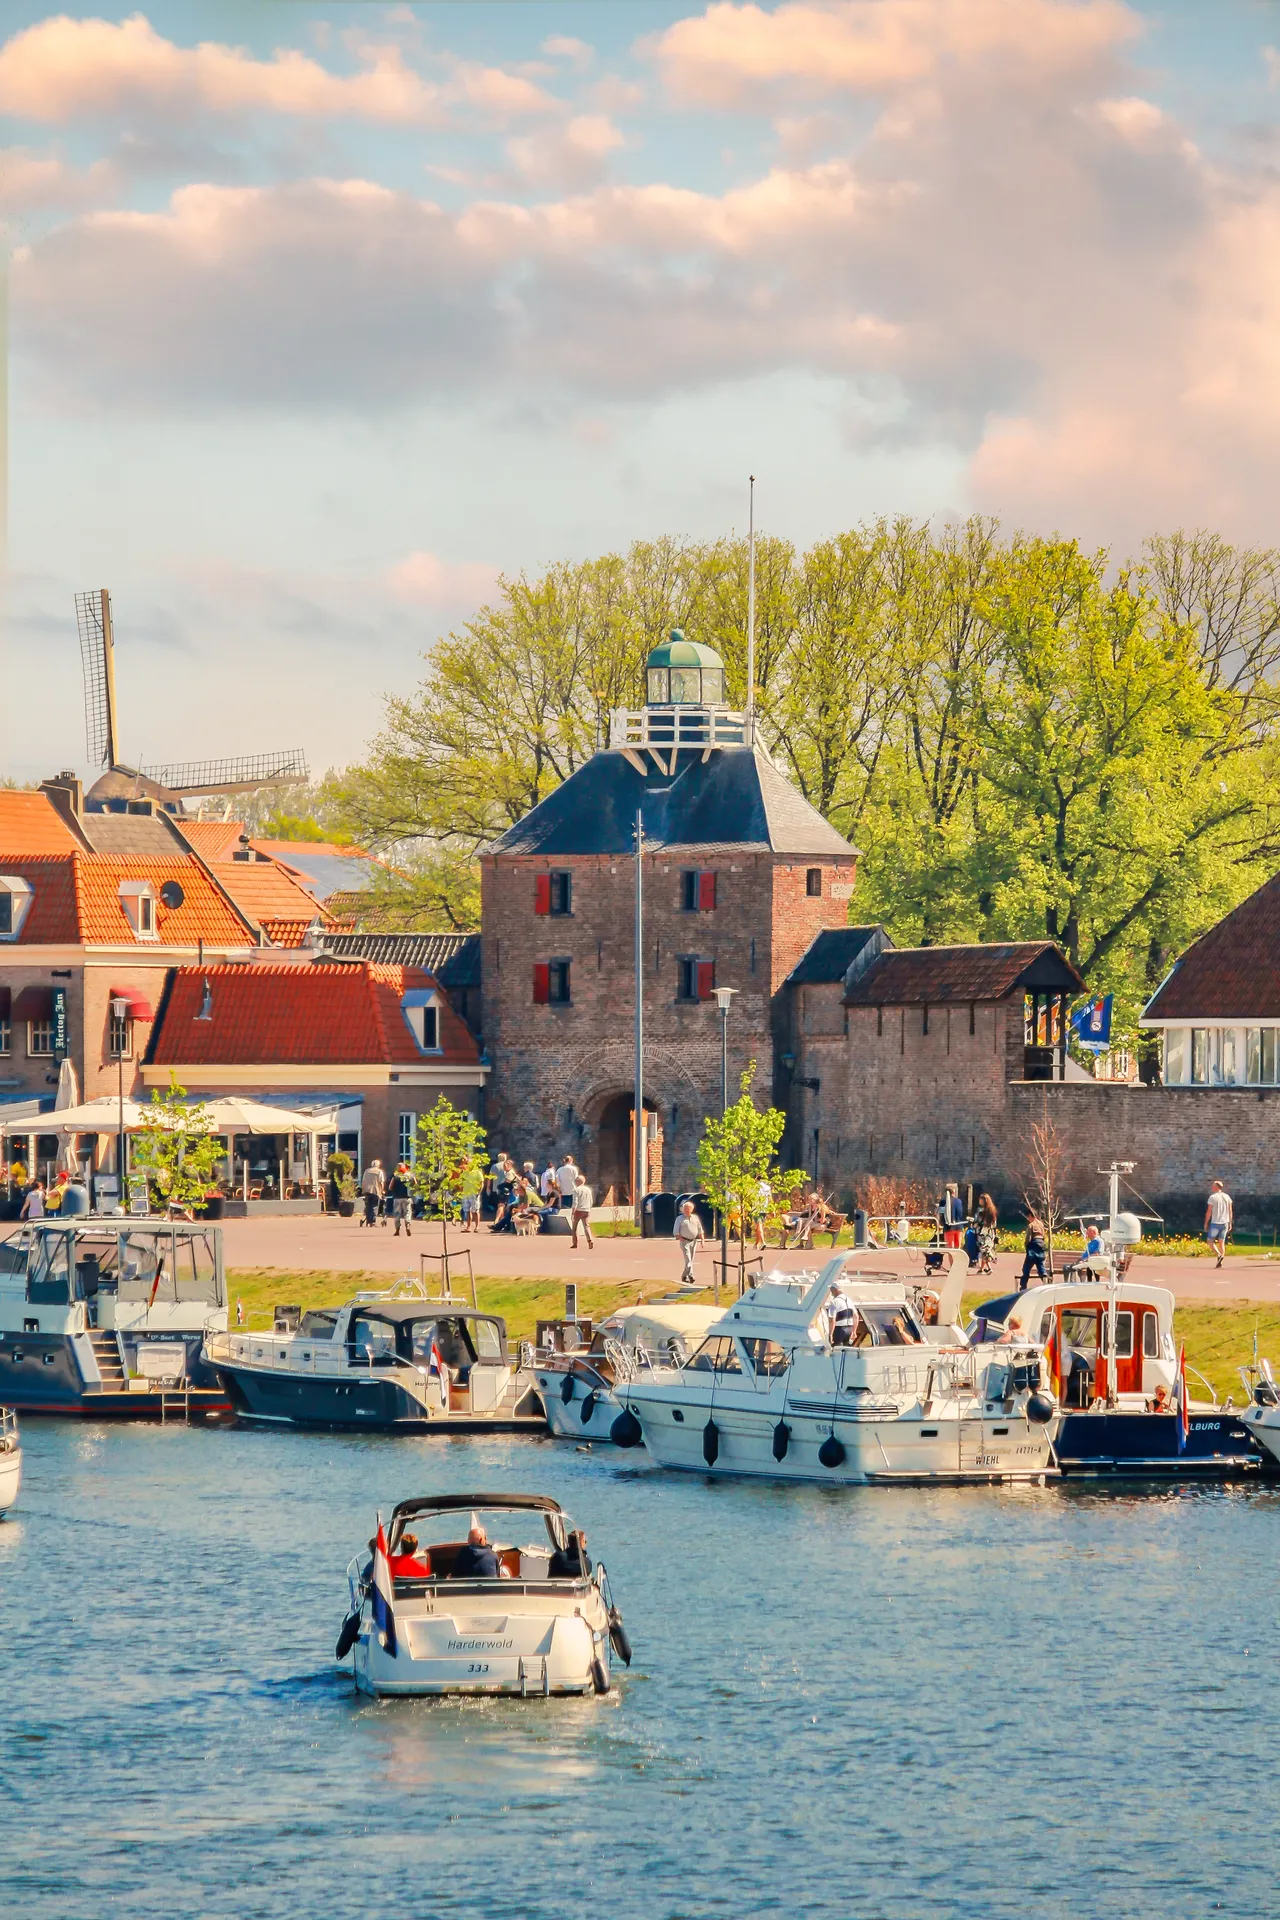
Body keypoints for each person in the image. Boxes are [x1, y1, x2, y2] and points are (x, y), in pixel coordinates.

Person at [674, 1198, 705, 1283]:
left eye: (688, 1209)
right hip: (684, 1242)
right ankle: (691, 1275)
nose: (686, 1210)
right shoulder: (679, 1219)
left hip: (694, 1241)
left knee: (691, 1259)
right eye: (685, 1209)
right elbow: (676, 1231)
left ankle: (684, 1276)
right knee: (688, 1260)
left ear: (692, 1209)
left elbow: (700, 1229)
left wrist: (702, 1240)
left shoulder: (695, 1218)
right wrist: (680, 1238)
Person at [1205, 1180, 1233, 1269]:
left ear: (1217, 1187)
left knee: (1210, 1241)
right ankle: (1220, 1261)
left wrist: (1206, 1222)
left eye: (1213, 1186)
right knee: (1222, 1242)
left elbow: (1209, 1211)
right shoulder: (1227, 1197)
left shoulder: (1212, 1197)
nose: (1212, 1187)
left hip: (1215, 1223)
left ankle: (1219, 1255)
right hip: (1225, 1222)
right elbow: (1230, 1211)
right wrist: (1230, 1222)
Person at [1020, 1215, 1047, 1290]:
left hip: (1033, 1248)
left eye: (1028, 1217)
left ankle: (1023, 1286)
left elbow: (1028, 1238)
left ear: (1031, 1216)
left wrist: (1026, 1245)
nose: (1028, 1219)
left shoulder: (1031, 1225)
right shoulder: (1041, 1224)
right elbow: (1044, 1236)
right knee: (1041, 1267)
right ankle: (1046, 1283)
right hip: (1041, 1246)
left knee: (1026, 1268)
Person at [387, 1164, 412, 1237]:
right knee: (407, 1212)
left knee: (397, 1214)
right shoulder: (409, 1175)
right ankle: (407, 1224)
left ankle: (397, 1229)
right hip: (407, 1197)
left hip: (397, 1198)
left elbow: (390, 1187)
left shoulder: (395, 1176)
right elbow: (415, 1184)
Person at [459, 1157, 483, 1234]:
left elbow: (481, 1183)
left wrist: (479, 1192)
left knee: (475, 1210)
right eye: (466, 1163)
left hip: (474, 1193)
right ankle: (468, 1227)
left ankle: (477, 1226)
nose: (467, 1165)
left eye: (468, 1163)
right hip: (465, 1193)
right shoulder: (464, 1172)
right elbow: (461, 1182)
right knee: (467, 1211)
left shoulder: (477, 1172)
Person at [976, 1193, 999, 1275]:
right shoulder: (992, 1210)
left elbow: (979, 1222)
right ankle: (981, 1269)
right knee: (985, 1250)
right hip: (990, 1233)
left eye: (981, 1199)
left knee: (984, 1250)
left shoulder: (982, 1211)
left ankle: (989, 1268)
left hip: (983, 1233)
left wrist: (975, 1224)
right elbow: (994, 1224)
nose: (979, 1201)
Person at [571, 1172, 595, 1249]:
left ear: (578, 1182)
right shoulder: (588, 1189)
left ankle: (575, 1243)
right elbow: (591, 1200)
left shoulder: (576, 1190)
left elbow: (575, 1202)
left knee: (574, 1228)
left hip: (578, 1210)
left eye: (576, 1181)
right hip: (586, 1210)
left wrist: (573, 1212)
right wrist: (589, 1208)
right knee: (586, 1226)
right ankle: (590, 1240)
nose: (575, 1182)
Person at [359, 1159, 384, 1229]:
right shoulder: (379, 1172)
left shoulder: (367, 1171)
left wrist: (363, 1189)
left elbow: (363, 1181)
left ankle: (368, 1221)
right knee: (374, 1206)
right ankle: (372, 1222)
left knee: (368, 1206)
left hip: (367, 1191)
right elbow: (381, 1182)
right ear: (378, 1165)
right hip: (376, 1191)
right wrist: (382, 1191)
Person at [939, 1182, 965, 1249]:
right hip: (958, 1226)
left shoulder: (943, 1202)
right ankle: (957, 1259)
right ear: (953, 1192)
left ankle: (951, 1260)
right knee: (958, 1247)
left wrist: (940, 1223)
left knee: (950, 1248)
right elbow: (960, 1213)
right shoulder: (959, 1201)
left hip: (948, 1227)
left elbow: (941, 1214)